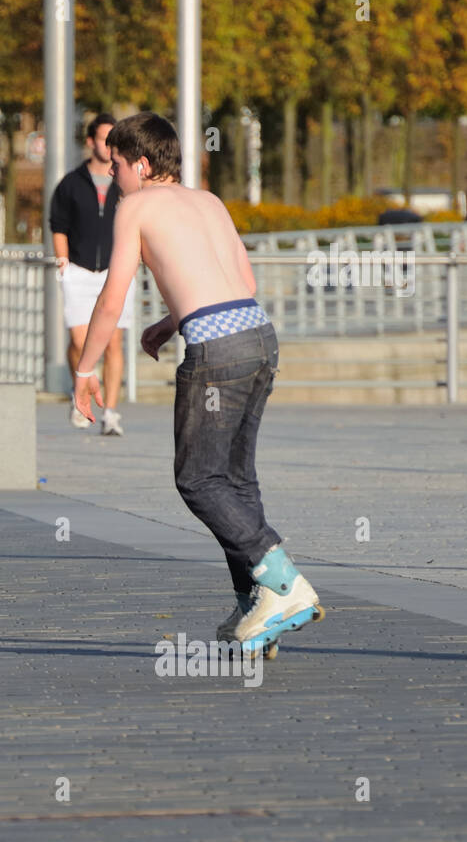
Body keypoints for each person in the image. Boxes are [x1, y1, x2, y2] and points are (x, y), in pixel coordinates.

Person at [73, 112, 320, 649]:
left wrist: (85, 369)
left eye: (116, 166)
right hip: (259, 335)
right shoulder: (209, 200)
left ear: (140, 164)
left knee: (198, 480)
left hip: (217, 350)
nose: (113, 177)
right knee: (236, 479)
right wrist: (170, 322)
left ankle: (283, 581)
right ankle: (257, 606)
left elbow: (112, 296)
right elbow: (243, 282)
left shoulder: (134, 207)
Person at [49, 112, 135, 435]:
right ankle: (80, 392)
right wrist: (63, 263)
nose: (109, 145)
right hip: (79, 271)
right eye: (103, 139)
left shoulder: (124, 181)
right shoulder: (71, 184)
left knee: (114, 342)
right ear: (90, 142)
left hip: (115, 271)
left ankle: (110, 412)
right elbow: (58, 226)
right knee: (80, 341)